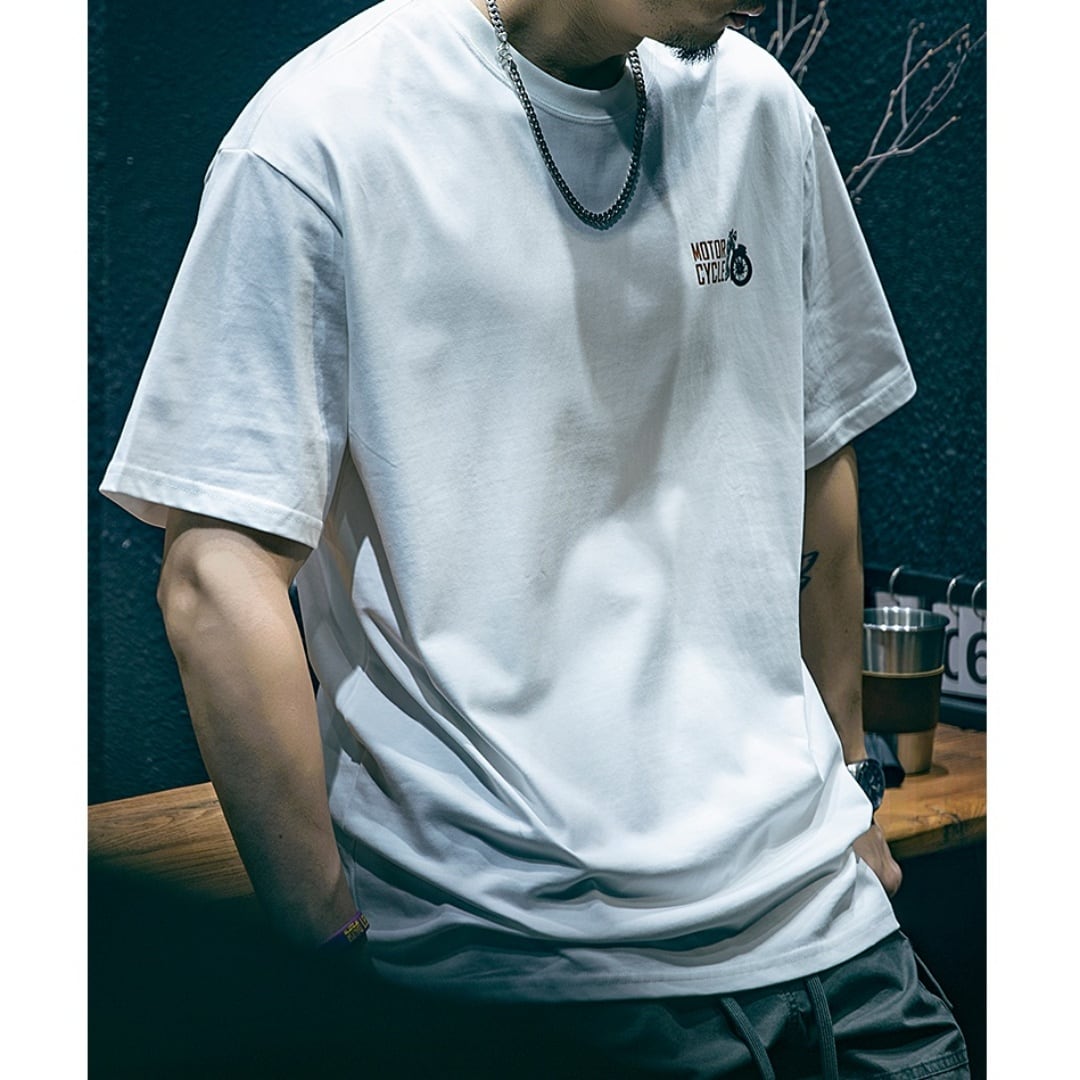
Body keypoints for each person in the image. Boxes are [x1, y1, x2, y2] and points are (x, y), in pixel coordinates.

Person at [101, 0, 971, 1075]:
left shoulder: (762, 110)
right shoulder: (324, 132)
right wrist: (326, 946)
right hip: (521, 972)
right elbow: (214, 577)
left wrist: (851, 781)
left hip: (838, 942)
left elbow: (815, 450)